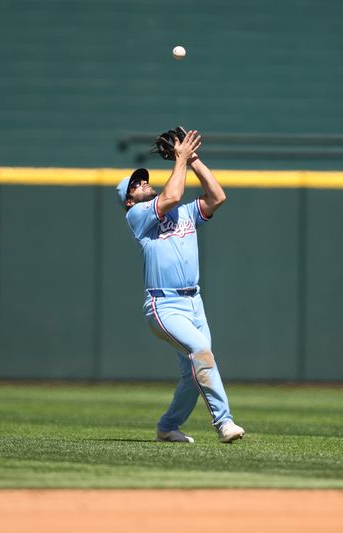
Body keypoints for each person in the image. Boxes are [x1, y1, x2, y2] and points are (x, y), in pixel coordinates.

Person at [116, 128, 245, 444]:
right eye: (136, 184)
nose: (143, 183)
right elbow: (171, 194)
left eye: (144, 179)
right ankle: (224, 422)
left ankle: (167, 427)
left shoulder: (184, 213)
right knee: (201, 351)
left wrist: (195, 160)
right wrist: (180, 159)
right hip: (164, 305)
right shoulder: (137, 216)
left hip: (194, 302)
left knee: (191, 373)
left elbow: (217, 197)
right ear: (129, 199)